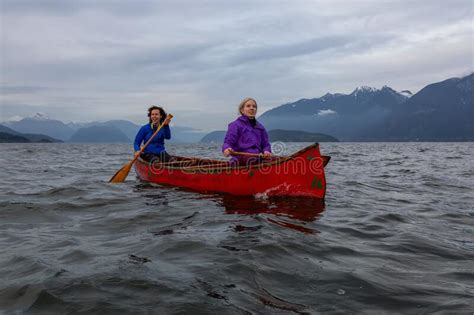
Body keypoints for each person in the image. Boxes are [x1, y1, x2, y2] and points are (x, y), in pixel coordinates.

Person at [222, 97, 272, 165]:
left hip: (258, 158)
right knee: (250, 159)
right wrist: (227, 149)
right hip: (241, 159)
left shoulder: (260, 128)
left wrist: (266, 151)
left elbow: (266, 144)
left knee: (274, 160)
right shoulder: (235, 125)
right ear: (242, 110)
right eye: (248, 106)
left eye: (254, 106)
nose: (252, 108)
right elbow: (228, 142)